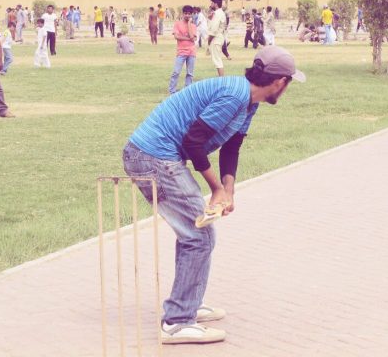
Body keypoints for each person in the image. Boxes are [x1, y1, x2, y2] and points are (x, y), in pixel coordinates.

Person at [123, 46, 305, 344]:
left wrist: (228, 190)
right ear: (279, 82)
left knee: (195, 234)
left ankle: (188, 304)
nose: (288, 88)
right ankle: (177, 322)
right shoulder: (234, 96)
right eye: (289, 83)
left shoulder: (249, 101)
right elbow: (193, 142)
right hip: (151, 157)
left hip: (159, 156)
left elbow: (232, 146)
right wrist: (216, 189)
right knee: (199, 236)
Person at [169, 5, 197, 94]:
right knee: (176, 72)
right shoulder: (177, 24)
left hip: (191, 52)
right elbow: (176, 37)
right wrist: (188, 38)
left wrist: (189, 24)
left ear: (191, 14)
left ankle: (187, 90)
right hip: (181, 51)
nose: (187, 15)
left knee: (190, 73)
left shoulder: (193, 26)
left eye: (189, 14)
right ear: (182, 13)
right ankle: (172, 90)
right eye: (185, 13)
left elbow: (193, 38)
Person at [208, 0, 227, 77]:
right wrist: (209, 18)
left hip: (216, 38)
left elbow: (214, 30)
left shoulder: (217, 13)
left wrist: (209, 41)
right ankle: (221, 78)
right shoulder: (220, 13)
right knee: (217, 60)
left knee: (217, 60)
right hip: (219, 37)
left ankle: (222, 79)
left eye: (212, 3)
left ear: (215, 4)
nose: (210, 4)